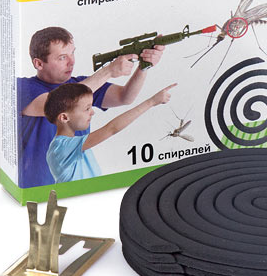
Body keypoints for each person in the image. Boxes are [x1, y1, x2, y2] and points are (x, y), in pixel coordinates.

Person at [18, 26, 164, 188]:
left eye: (72, 53)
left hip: (82, 183)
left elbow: (125, 97)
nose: (72, 62)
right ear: (39, 63)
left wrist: (144, 66)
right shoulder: (23, 87)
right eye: (62, 57)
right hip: (37, 188)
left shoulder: (83, 84)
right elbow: (56, 103)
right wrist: (108, 71)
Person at [44, 82, 176, 183]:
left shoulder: (73, 145)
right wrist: (151, 102)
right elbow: (111, 128)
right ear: (64, 117)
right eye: (87, 109)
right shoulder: (61, 148)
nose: (92, 112)